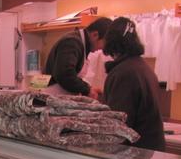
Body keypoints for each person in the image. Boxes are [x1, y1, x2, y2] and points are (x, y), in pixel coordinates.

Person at [103, 17, 166, 151]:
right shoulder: (143, 68)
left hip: (136, 152)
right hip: (152, 149)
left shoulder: (124, 73)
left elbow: (118, 124)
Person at [43, 17, 112, 98]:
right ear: (95, 35)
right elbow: (65, 74)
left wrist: (90, 88)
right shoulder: (72, 42)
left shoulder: (79, 43)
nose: (103, 49)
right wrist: (87, 90)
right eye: (104, 43)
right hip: (51, 97)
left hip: (60, 98)